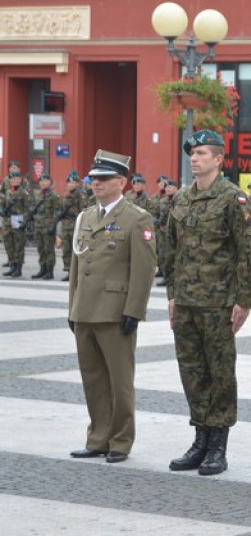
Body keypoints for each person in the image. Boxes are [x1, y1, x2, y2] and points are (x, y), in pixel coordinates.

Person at [164, 130, 251, 476]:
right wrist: (172, 294)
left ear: (218, 159)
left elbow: (246, 251)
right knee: (192, 371)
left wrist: (243, 300)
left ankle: (218, 443)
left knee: (219, 373)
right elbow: (170, 250)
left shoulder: (233, 199)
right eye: (192, 153)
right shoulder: (181, 199)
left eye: (202, 153)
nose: (194, 158)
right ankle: (200, 437)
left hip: (218, 303)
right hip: (186, 302)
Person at [67, 150, 157, 462]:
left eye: (104, 179)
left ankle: (120, 440)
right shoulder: (85, 217)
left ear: (122, 182)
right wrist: (72, 308)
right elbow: (77, 267)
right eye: (94, 179)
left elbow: (143, 269)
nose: (97, 184)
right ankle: (98, 437)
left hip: (115, 311)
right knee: (93, 378)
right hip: (85, 310)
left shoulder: (136, 218)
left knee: (120, 381)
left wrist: (134, 310)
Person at [1, 163, 32, 277]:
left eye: (16, 178)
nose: (13, 180)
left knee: (19, 245)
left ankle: (18, 267)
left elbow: (28, 209)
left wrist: (25, 222)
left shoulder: (24, 193)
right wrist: (2, 210)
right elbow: (2, 203)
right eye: (12, 178)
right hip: (8, 221)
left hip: (19, 220)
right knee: (9, 244)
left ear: (20, 180)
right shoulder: (8, 192)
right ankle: (12, 265)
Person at [58, 171, 88, 281]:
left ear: (77, 183)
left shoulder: (80, 195)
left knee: (75, 250)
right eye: (68, 182)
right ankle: (69, 271)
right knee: (66, 249)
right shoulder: (66, 193)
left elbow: (84, 210)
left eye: (73, 182)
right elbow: (61, 206)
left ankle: (76, 272)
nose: (70, 184)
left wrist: (76, 215)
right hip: (65, 225)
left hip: (76, 226)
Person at [30, 173, 61, 279]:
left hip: (48, 226)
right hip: (38, 225)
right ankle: (42, 269)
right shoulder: (38, 194)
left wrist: (53, 226)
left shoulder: (53, 195)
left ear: (50, 182)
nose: (43, 183)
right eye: (41, 181)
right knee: (40, 248)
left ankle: (49, 271)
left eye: (45, 181)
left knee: (49, 249)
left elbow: (57, 211)